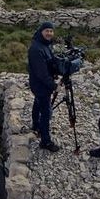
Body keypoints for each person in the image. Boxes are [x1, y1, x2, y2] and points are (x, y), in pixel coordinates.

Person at [28, 20, 61, 152]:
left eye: (51, 31)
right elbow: (41, 73)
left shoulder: (44, 45)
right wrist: (54, 86)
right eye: (47, 30)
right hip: (40, 85)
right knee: (46, 112)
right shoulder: (36, 49)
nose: (49, 33)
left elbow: (49, 62)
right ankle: (45, 141)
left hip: (39, 85)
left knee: (38, 103)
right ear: (41, 31)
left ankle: (36, 126)